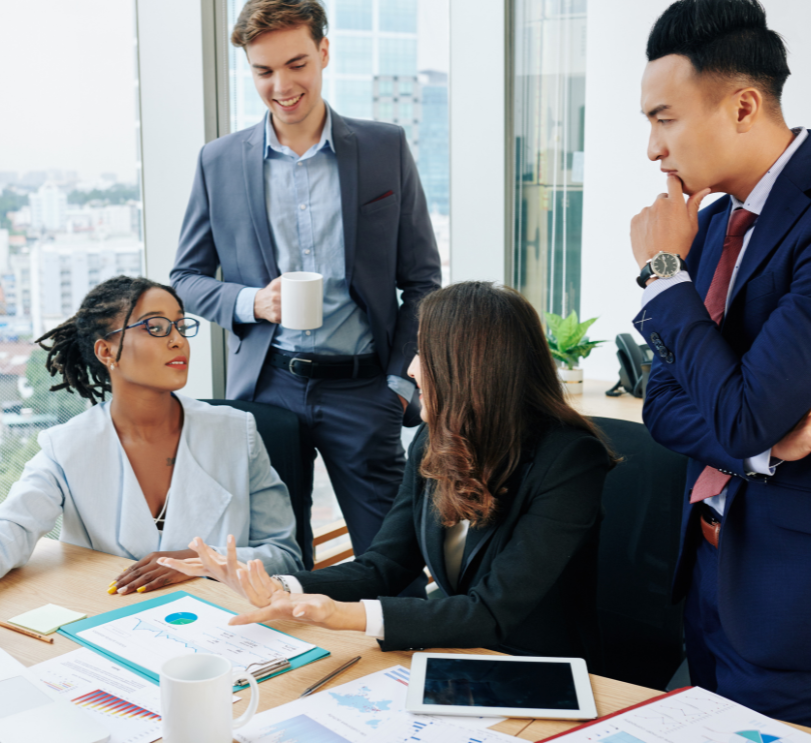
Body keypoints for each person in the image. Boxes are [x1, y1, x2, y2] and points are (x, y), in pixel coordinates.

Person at [627, 0, 811, 727]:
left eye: (664, 119)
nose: (653, 150)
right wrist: (769, 444)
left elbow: (742, 411)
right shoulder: (714, 225)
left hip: (797, 587)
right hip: (708, 563)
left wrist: (664, 275)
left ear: (742, 106)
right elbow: (664, 406)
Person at [158, 282, 614, 660]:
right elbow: (385, 565)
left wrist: (340, 615)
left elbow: (491, 612)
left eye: (425, 352)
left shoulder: (570, 461)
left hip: (536, 665)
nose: (413, 367)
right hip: (455, 650)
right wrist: (278, 586)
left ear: (472, 369)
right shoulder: (437, 439)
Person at [170, 0, 442, 562]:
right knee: (279, 562)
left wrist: (397, 386)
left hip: (365, 390)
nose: (281, 85)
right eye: (263, 71)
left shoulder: (383, 147)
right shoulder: (218, 162)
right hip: (268, 390)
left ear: (323, 52)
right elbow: (187, 278)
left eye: (296, 64)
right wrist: (252, 302)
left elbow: (422, 280)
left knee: (394, 559)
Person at [0, 276, 302, 592]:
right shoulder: (67, 448)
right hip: (117, 626)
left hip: (228, 626)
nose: (178, 340)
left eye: (181, 326)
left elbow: (286, 554)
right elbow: (4, 538)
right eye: (156, 328)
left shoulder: (236, 433)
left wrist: (202, 563)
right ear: (107, 351)